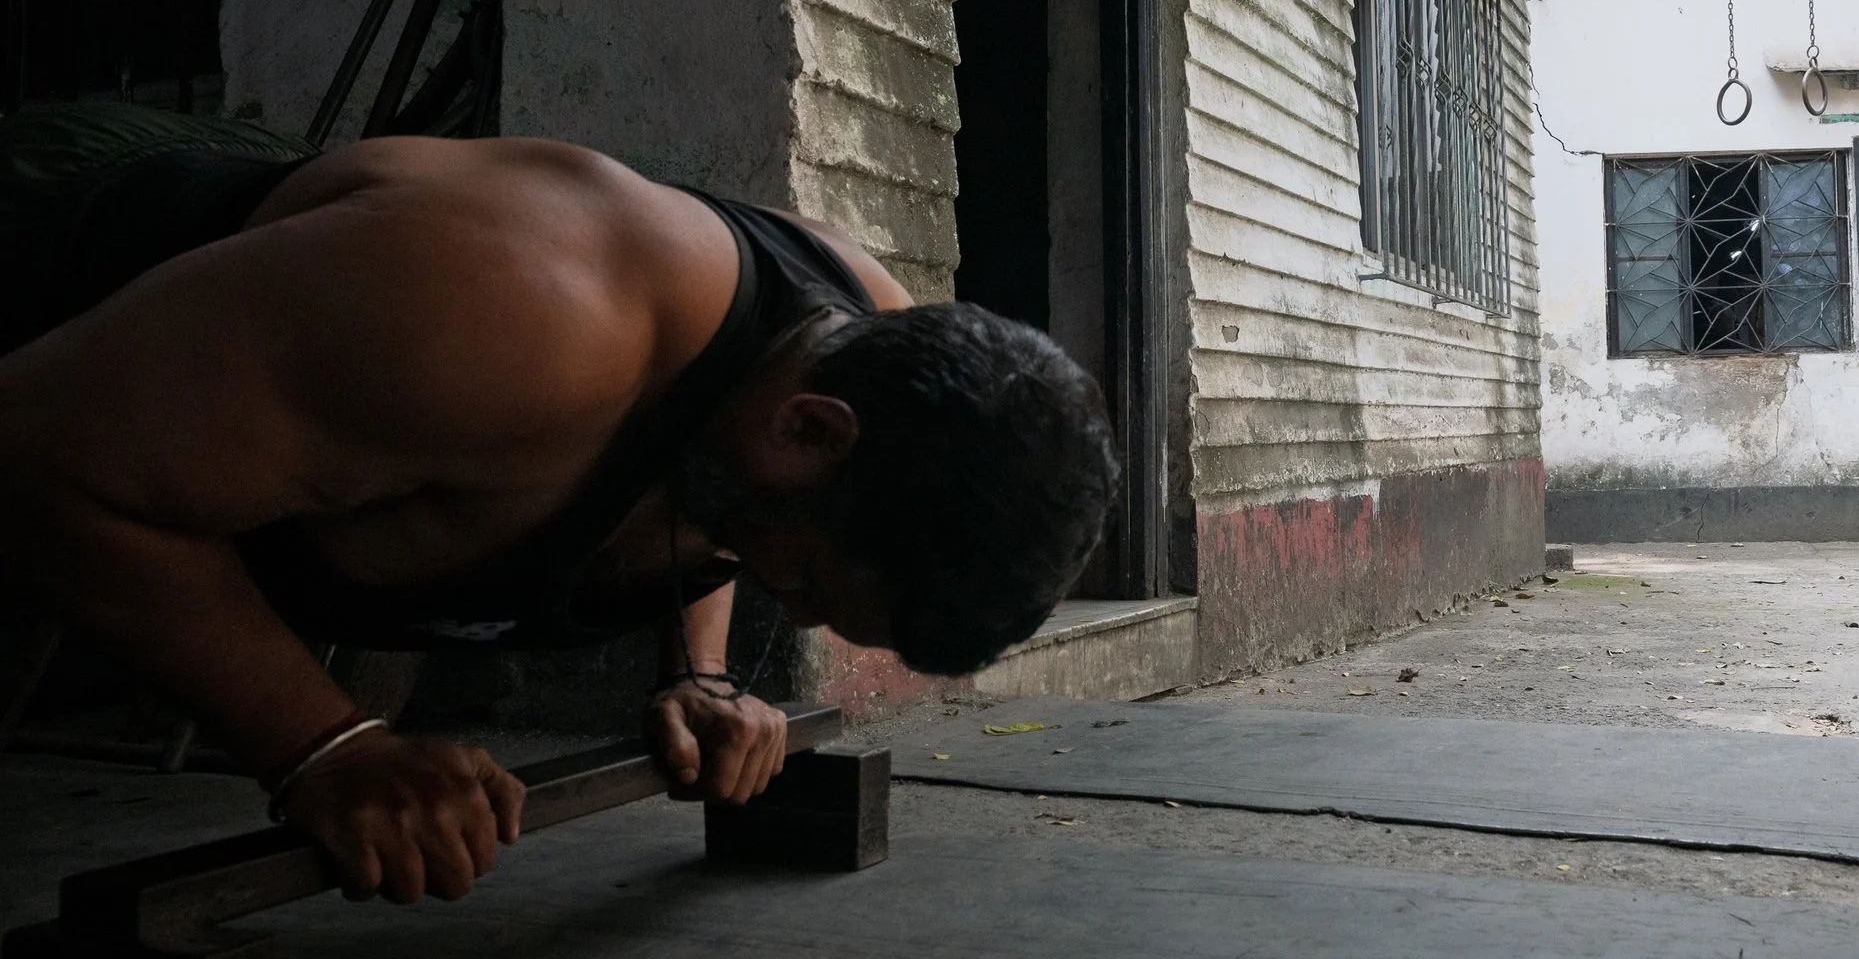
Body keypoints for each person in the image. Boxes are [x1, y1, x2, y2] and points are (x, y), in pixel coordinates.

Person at [0, 104, 1119, 902]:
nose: (791, 602)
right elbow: (36, 448)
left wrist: (702, 672)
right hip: (54, 216)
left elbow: (721, 482)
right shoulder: (499, 314)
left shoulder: (857, 343)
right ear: (811, 431)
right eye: (806, 583)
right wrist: (325, 746)